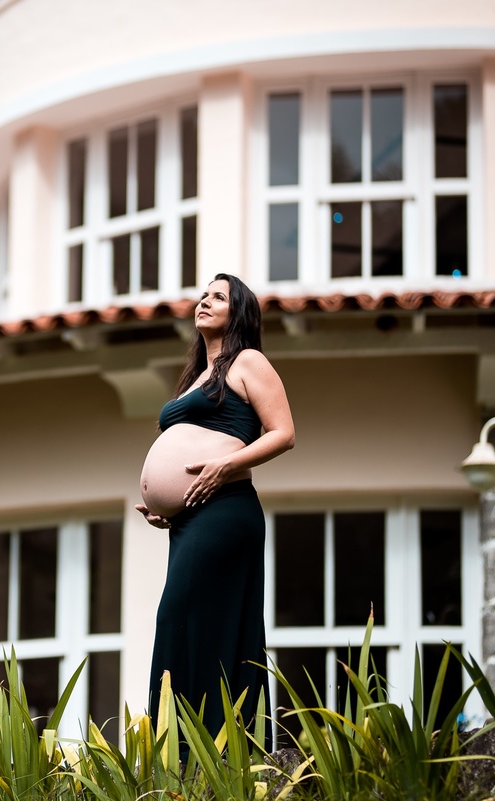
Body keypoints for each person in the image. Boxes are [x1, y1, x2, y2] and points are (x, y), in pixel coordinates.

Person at [135, 273, 295, 752]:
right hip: (190, 520)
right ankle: (184, 753)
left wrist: (225, 465)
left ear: (238, 312)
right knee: (187, 623)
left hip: (227, 511)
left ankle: (212, 749)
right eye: (203, 294)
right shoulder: (196, 376)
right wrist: (169, 503)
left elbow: (283, 432)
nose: (205, 301)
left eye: (218, 296)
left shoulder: (249, 361)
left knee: (186, 618)